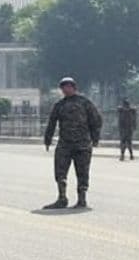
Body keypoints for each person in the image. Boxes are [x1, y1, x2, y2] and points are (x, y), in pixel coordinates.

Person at [42, 77, 102, 208]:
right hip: (65, 144)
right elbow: (52, 123)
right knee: (60, 172)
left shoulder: (85, 103)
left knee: (83, 173)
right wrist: (48, 139)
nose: (65, 89)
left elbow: (96, 120)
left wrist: (95, 138)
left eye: (68, 86)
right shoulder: (59, 105)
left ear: (74, 88)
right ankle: (62, 198)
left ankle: (82, 199)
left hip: (83, 145)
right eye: (63, 87)